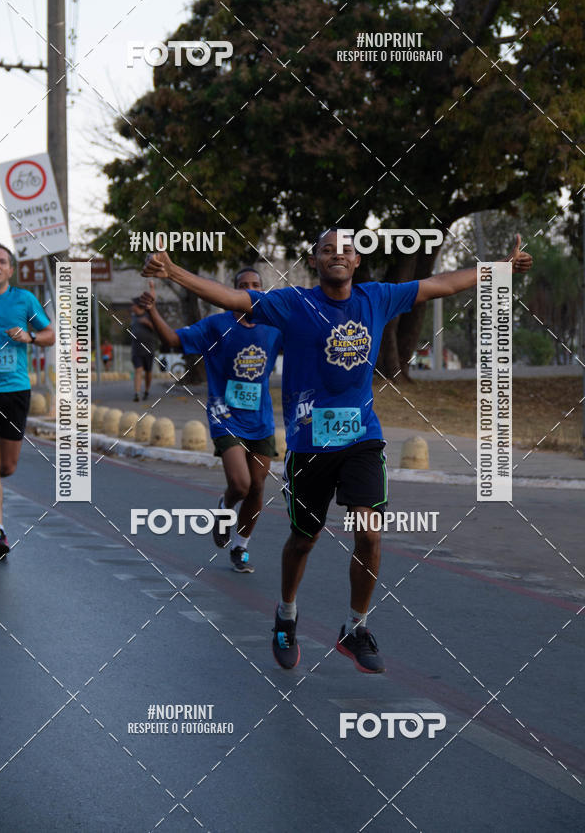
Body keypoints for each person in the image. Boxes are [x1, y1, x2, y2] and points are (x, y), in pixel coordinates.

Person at [142, 231, 532, 673]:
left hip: (362, 439)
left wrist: (498, 268)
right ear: (315, 261)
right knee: (303, 540)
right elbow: (232, 296)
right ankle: (286, 614)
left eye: (345, 249)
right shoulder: (292, 304)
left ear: (358, 259)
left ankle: (356, 627)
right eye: (327, 250)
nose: (337, 255)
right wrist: (173, 270)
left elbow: (440, 284)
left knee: (369, 533)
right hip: (309, 446)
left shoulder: (378, 298)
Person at [137, 268, 282, 572]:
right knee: (240, 485)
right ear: (232, 293)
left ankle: (240, 547)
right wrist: (153, 312)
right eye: (243, 286)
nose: (250, 290)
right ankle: (225, 507)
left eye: (256, 286)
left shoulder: (274, 327)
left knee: (257, 487)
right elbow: (173, 339)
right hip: (224, 414)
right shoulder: (217, 326)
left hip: (261, 419)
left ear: (263, 292)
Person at [0, 243, 55, 560]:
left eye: (2, 262)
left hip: (15, 388)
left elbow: (50, 334)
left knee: (7, 467)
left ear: (11, 270)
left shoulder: (24, 300)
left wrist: (31, 337)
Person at [129, 297, 157, 401]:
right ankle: (136, 393)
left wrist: (148, 323)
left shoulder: (149, 316)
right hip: (136, 349)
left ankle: (146, 390)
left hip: (149, 349)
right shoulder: (133, 317)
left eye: (133, 305)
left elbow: (158, 329)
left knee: (148, 372)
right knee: (138, 369)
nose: (131, 307)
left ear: (138, 306)